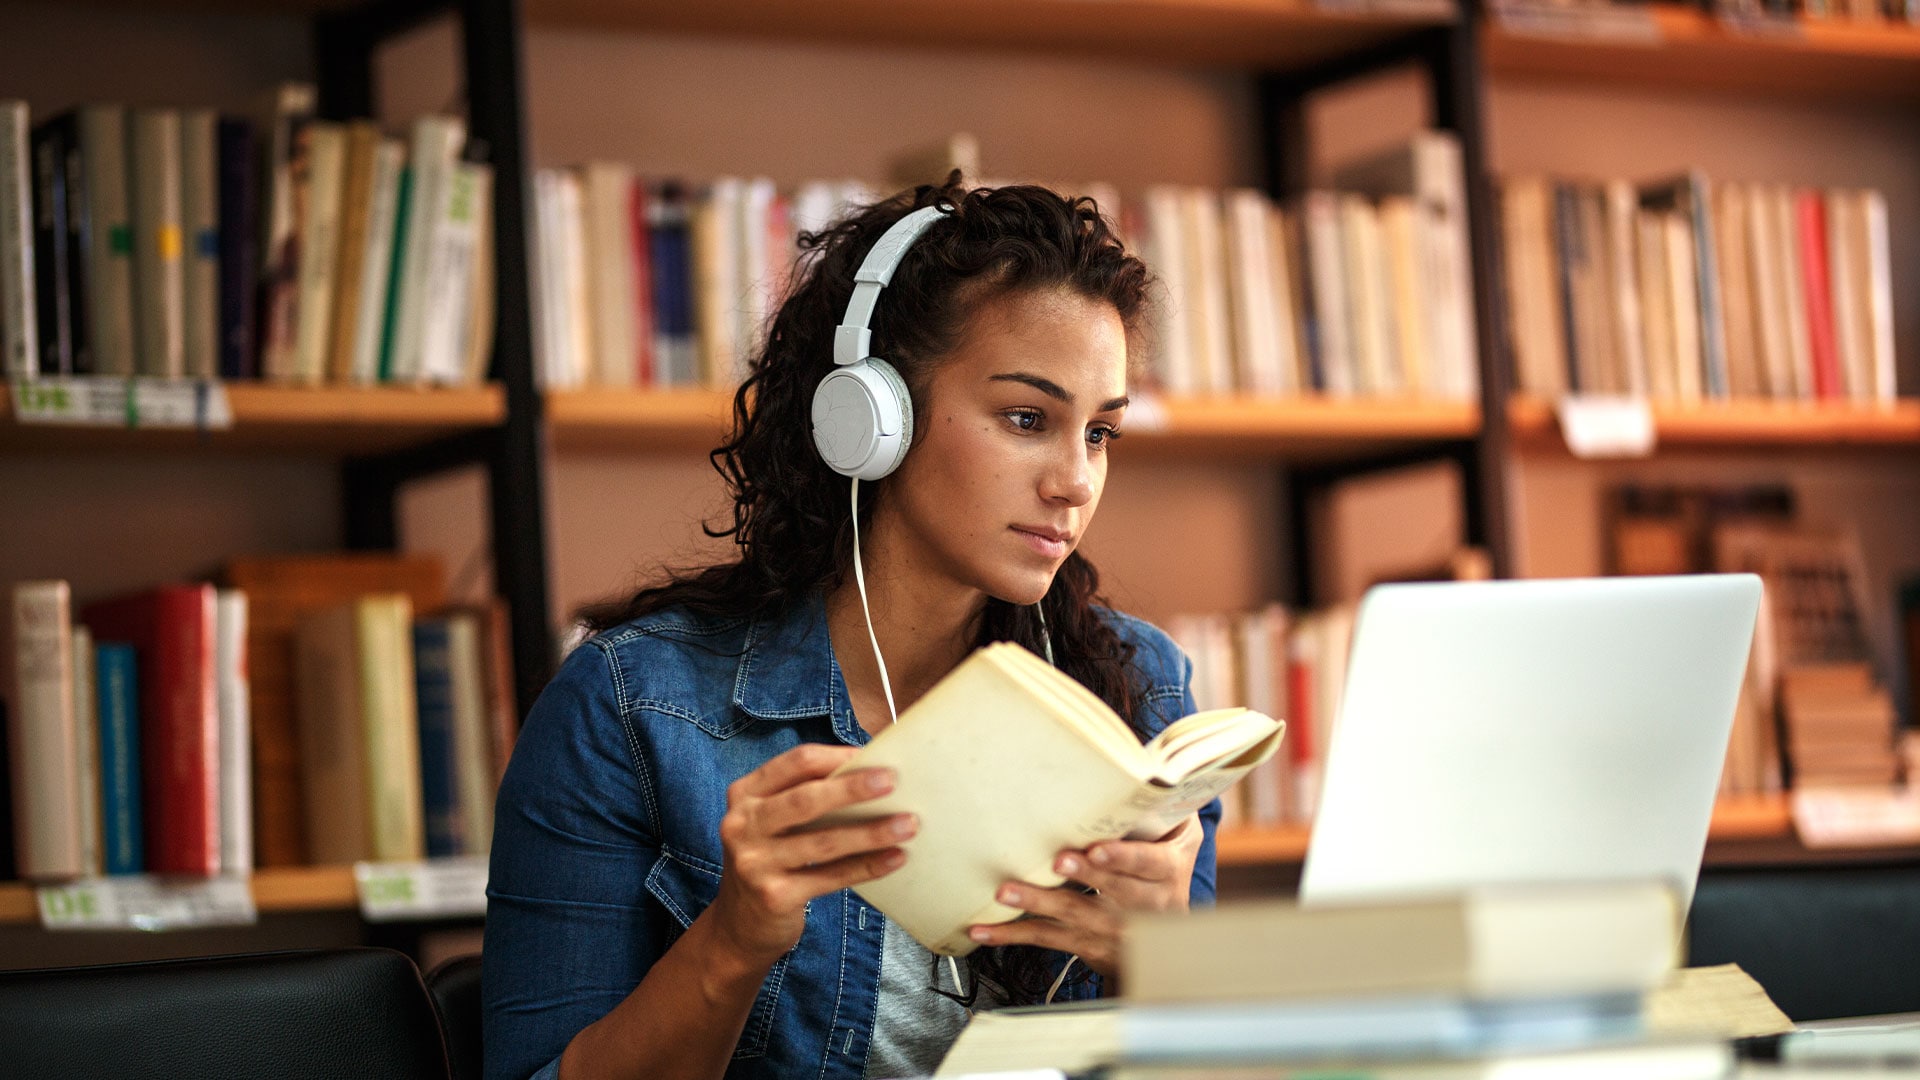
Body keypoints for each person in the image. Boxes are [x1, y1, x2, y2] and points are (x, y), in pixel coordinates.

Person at [483, 178, 1220, 1080]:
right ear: (872, 418)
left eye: (1100, 434)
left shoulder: (1142, 691)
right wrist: (733, 941)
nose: (1074, 481)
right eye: (1028, 419)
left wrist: (1166, 966)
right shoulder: (632, 709)